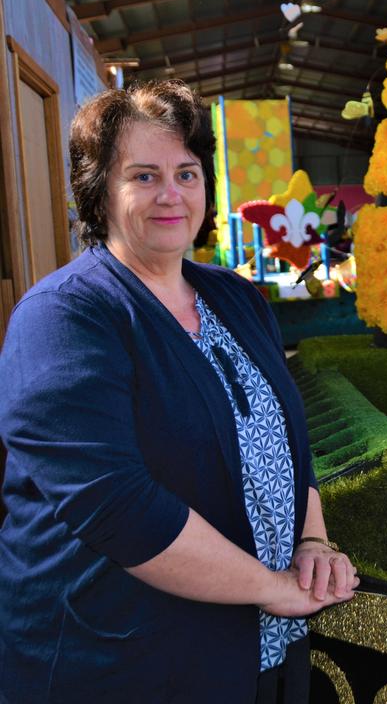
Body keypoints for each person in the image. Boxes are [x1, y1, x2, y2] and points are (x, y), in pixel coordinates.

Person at [0, 80, 358, 703]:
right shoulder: (63, 317)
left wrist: (311, 540)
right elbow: (116, 505)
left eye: (187, 174)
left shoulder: (236, 297)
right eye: (143, 176)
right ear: (99, 193)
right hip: (123, 661)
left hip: (262, 646)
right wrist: (270, 586)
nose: (171, 194)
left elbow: (280, 444)